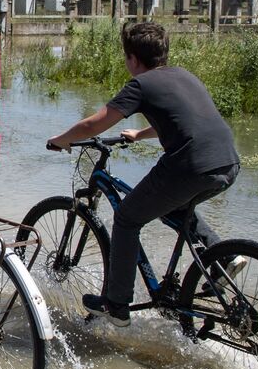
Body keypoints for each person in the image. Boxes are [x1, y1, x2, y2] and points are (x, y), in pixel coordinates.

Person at [46, 21, 240, 325]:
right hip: (227, 162)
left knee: (126, 218)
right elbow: (185, 121)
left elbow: (95, 125)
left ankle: (116, 305)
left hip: (189, 166)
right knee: (175, 206)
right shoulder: (185, 76)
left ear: (133, 59)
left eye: (126, 58)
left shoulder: (141, 84)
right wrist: (140, 134)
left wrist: (61, 139)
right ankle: (221, 254)